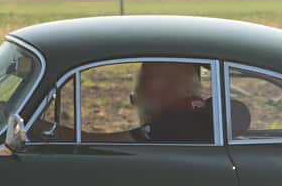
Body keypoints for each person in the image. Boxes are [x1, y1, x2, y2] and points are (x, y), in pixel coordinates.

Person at [82, 61, 215, 143]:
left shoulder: (174, 127)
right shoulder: (210, 116)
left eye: (148, 81)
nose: (133, 98)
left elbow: (103, 143)